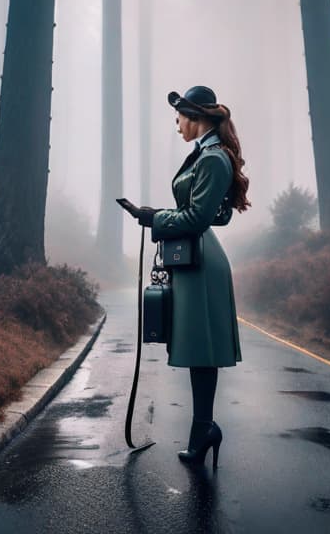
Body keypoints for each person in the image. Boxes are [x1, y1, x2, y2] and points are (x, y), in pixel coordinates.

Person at [120, 85, 250, 469]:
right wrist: (154, 214)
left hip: (201, 261)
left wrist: (151, 217)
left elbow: (198, 217)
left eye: (179, 117)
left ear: (195, 117)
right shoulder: (207, 156)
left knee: (202, 351)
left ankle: (203, 430)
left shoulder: (212, 159)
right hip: (193, 256)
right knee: (198, 352)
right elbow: (212, 213)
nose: (176, 125)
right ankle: (204, 430)